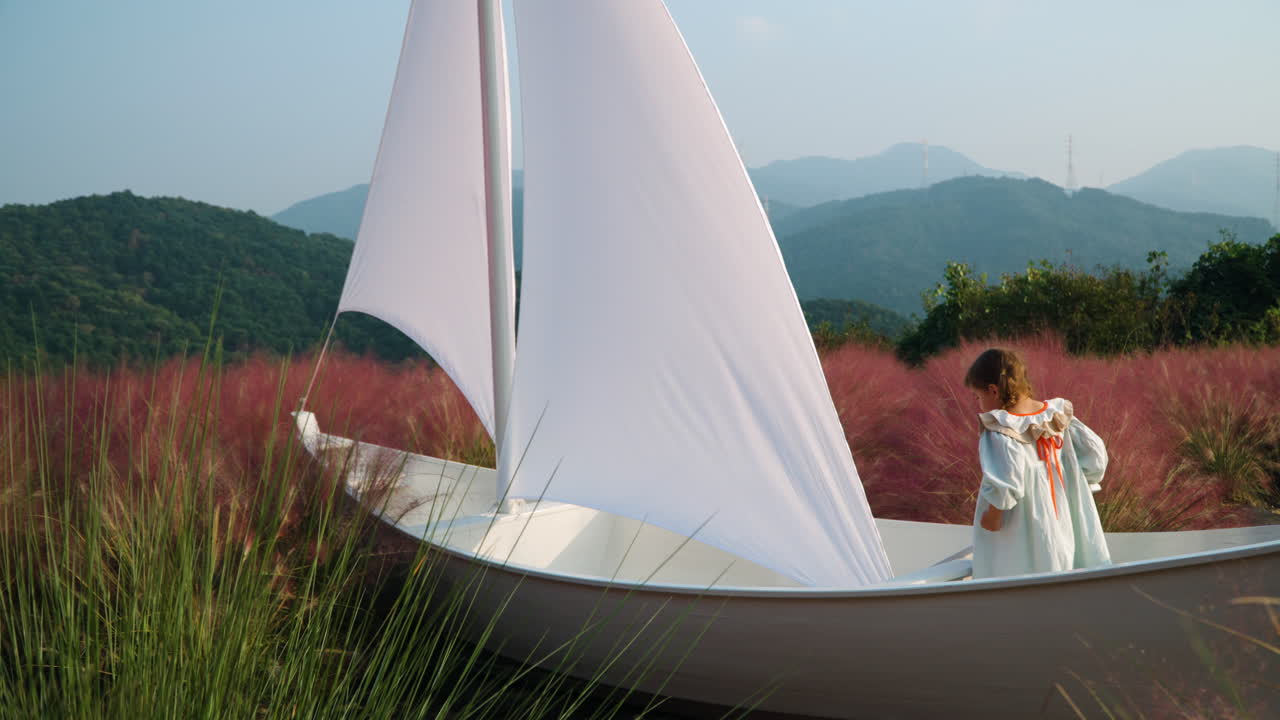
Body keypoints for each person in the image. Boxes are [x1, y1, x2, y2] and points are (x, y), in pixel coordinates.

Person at [963, 348, 1111, 579]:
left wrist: (993, 514)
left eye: (977, 396)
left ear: (993, 390)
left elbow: (1008, 480)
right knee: (1066, 564)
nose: (978, 403)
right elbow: (1095, 455)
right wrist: (1082, 483)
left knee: (1023, 567)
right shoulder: (1056, 416)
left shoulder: (1001, 429)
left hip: (1024, 524)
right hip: (1066, 515)